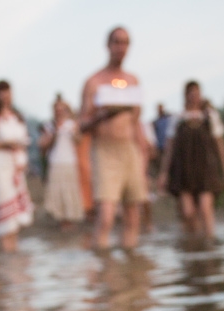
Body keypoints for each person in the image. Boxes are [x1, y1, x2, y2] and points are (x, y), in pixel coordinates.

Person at [80, 26, 149, 250]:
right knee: (107, 216)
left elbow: (136, 122)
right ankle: (102, 272)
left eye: (125, 42)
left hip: (129, 149)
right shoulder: (94, 81)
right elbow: (81, 124)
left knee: (133, 215)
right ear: (108, 45)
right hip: (104, 149)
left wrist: (144, 154)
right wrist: (101, 114)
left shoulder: (133, 81)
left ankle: (130, 278)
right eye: (117, 41)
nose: (121, 47)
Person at [159, 80, 224, 241]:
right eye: (190, 93)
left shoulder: (210, 116)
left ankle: (209, 244)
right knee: (188, 213)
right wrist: (164, 173)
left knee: (205, 209)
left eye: (197, 93)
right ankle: (193, 246)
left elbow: (221, 145)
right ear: (185, 96)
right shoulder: (177, 118)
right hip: (184, 170)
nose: (194, 97)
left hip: (206, 169)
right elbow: (169, 149)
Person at [0, 80, 33, 253]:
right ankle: (7, 249)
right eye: (2, 92)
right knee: (4, 208)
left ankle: (13, 250)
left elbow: (25, 139)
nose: (6, 96)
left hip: (16, 167)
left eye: (8, 92)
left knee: (16, 214)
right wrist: (8, 143)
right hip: (0, 165)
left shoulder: (17, 115)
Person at [39, 95, 83, 229]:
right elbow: (42, 145)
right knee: (57, 191)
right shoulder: (49, 126)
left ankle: (70, 219)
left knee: (69, 190)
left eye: (61, 109)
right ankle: (60, 219)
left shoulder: (72, 124)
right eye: (56, 109)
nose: (59, 112)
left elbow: (78, 141)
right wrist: (54, 135)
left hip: (69, 161)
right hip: (55, 161)